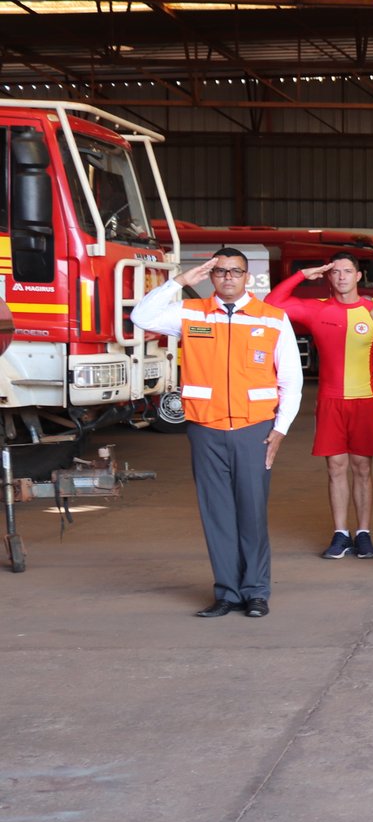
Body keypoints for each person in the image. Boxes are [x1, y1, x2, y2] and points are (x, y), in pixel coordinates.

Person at [130, 249, 303, 618]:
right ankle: (227, 592)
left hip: (253, 429)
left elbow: (292, 380)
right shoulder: (190, 313)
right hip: (206, 429)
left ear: (247, 276)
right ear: (211, 276)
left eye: (235, 272)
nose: (227, 278)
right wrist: (179, 281)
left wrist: (281, 429)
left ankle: (256, 591)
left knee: (252, 513)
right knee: (217, 514)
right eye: (220, 271)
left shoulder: (272, 318)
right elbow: (140, 316)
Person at [266, 253, 373, 560]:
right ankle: (340, 533)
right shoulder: (317, 310)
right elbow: (273, 303)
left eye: (347, 271)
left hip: (364, 402)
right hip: (329, 402)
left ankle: (363, 533)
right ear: (329, 277)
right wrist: (303, 274)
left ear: (357, 276)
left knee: (362, 468)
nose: (341, 276)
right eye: (335, 272)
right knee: (335, 468)